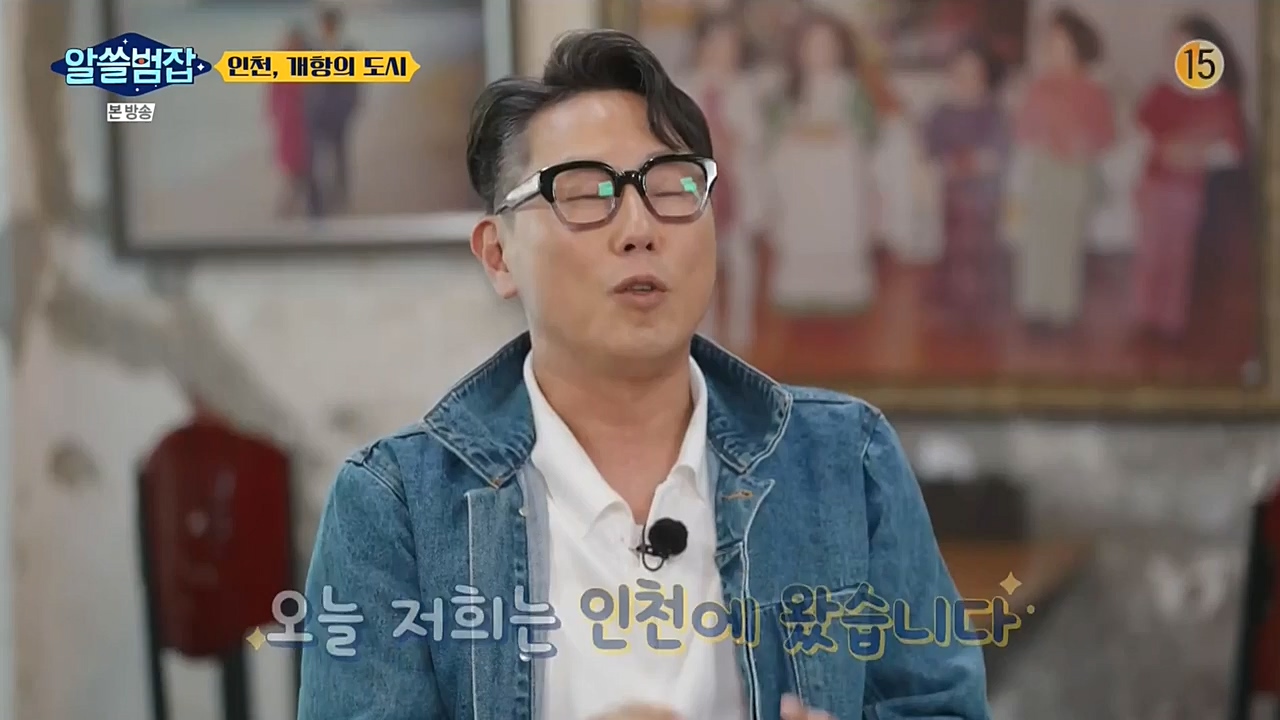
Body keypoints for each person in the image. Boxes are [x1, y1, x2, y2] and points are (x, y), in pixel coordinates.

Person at [297, 29, 990, 720]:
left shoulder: (845, 460)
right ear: (499, 256)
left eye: (673, 187)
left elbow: (942, 707)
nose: (639, 229)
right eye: (585, 193)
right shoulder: (395, 506)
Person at [1129, 13, 1246, 340]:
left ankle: (1171, 321)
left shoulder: (1219, 99)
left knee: (1177, 256)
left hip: (1189, 191)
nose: (1175, 52)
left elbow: (1233, 149)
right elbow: (1141, 131)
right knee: (1150, 252)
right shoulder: (1162, 90)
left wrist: (1199, 153)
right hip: (1155, 184)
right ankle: (1145, 316)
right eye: (1173, 45)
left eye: (1184, 45)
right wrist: (1161, 149)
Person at [767, 11, 878, 315]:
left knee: (838, 227)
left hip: (838, 176)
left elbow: (868, 130)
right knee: (802, 229)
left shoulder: (851, 89)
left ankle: (843, 291)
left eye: (827, 45)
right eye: (813, 45)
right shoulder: (789, 91)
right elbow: (774, 132)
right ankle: (799, 290)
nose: (820, 53)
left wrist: (845, 134)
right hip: (802, 176)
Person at [1009, 7, 1113, 330]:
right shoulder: (1039, 86)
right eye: (1048, 43)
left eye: (1059, 42)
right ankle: (1035, 306)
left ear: (1076, 46)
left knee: (1065, 243)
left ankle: (1061, 309)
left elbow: (1104, 134)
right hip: (1044, 170)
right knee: (1037, 240)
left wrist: (1085, 143)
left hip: (1074, 174)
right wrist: (1034, 132)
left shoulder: (1091, 90)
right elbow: (1023, 130)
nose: (1051, 50)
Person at [923, 41, 1011, 323]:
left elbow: (998, 152)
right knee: (953, 246)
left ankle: (976, 302)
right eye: (959, 73)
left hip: (983, 195)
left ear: (986, 77)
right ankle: (953, 299)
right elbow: (931, 147)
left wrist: (972, 162)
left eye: (974, 74)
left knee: (976, 249)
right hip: (951, 191)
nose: (966, 80)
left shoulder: (993, 112)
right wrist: (946, 163)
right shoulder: (941, 112)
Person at [304, 6, 362, 215]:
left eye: (330, 24)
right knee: (314, 156)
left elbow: (355, 84)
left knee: (339, 154)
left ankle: (340, 194)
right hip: (316, 112)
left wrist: (350, 108)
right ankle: (316, 199)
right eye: (325, 24)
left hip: (338, 113)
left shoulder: (347, 50)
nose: (327, 28)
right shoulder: (312, 50)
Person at [266, 24, 313, 217]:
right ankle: (296, 196)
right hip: (288, 118)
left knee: (303, 159)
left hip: (303, 117)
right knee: (291, 160)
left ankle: (298, 198)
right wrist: (273, 112)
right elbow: (273, 90)